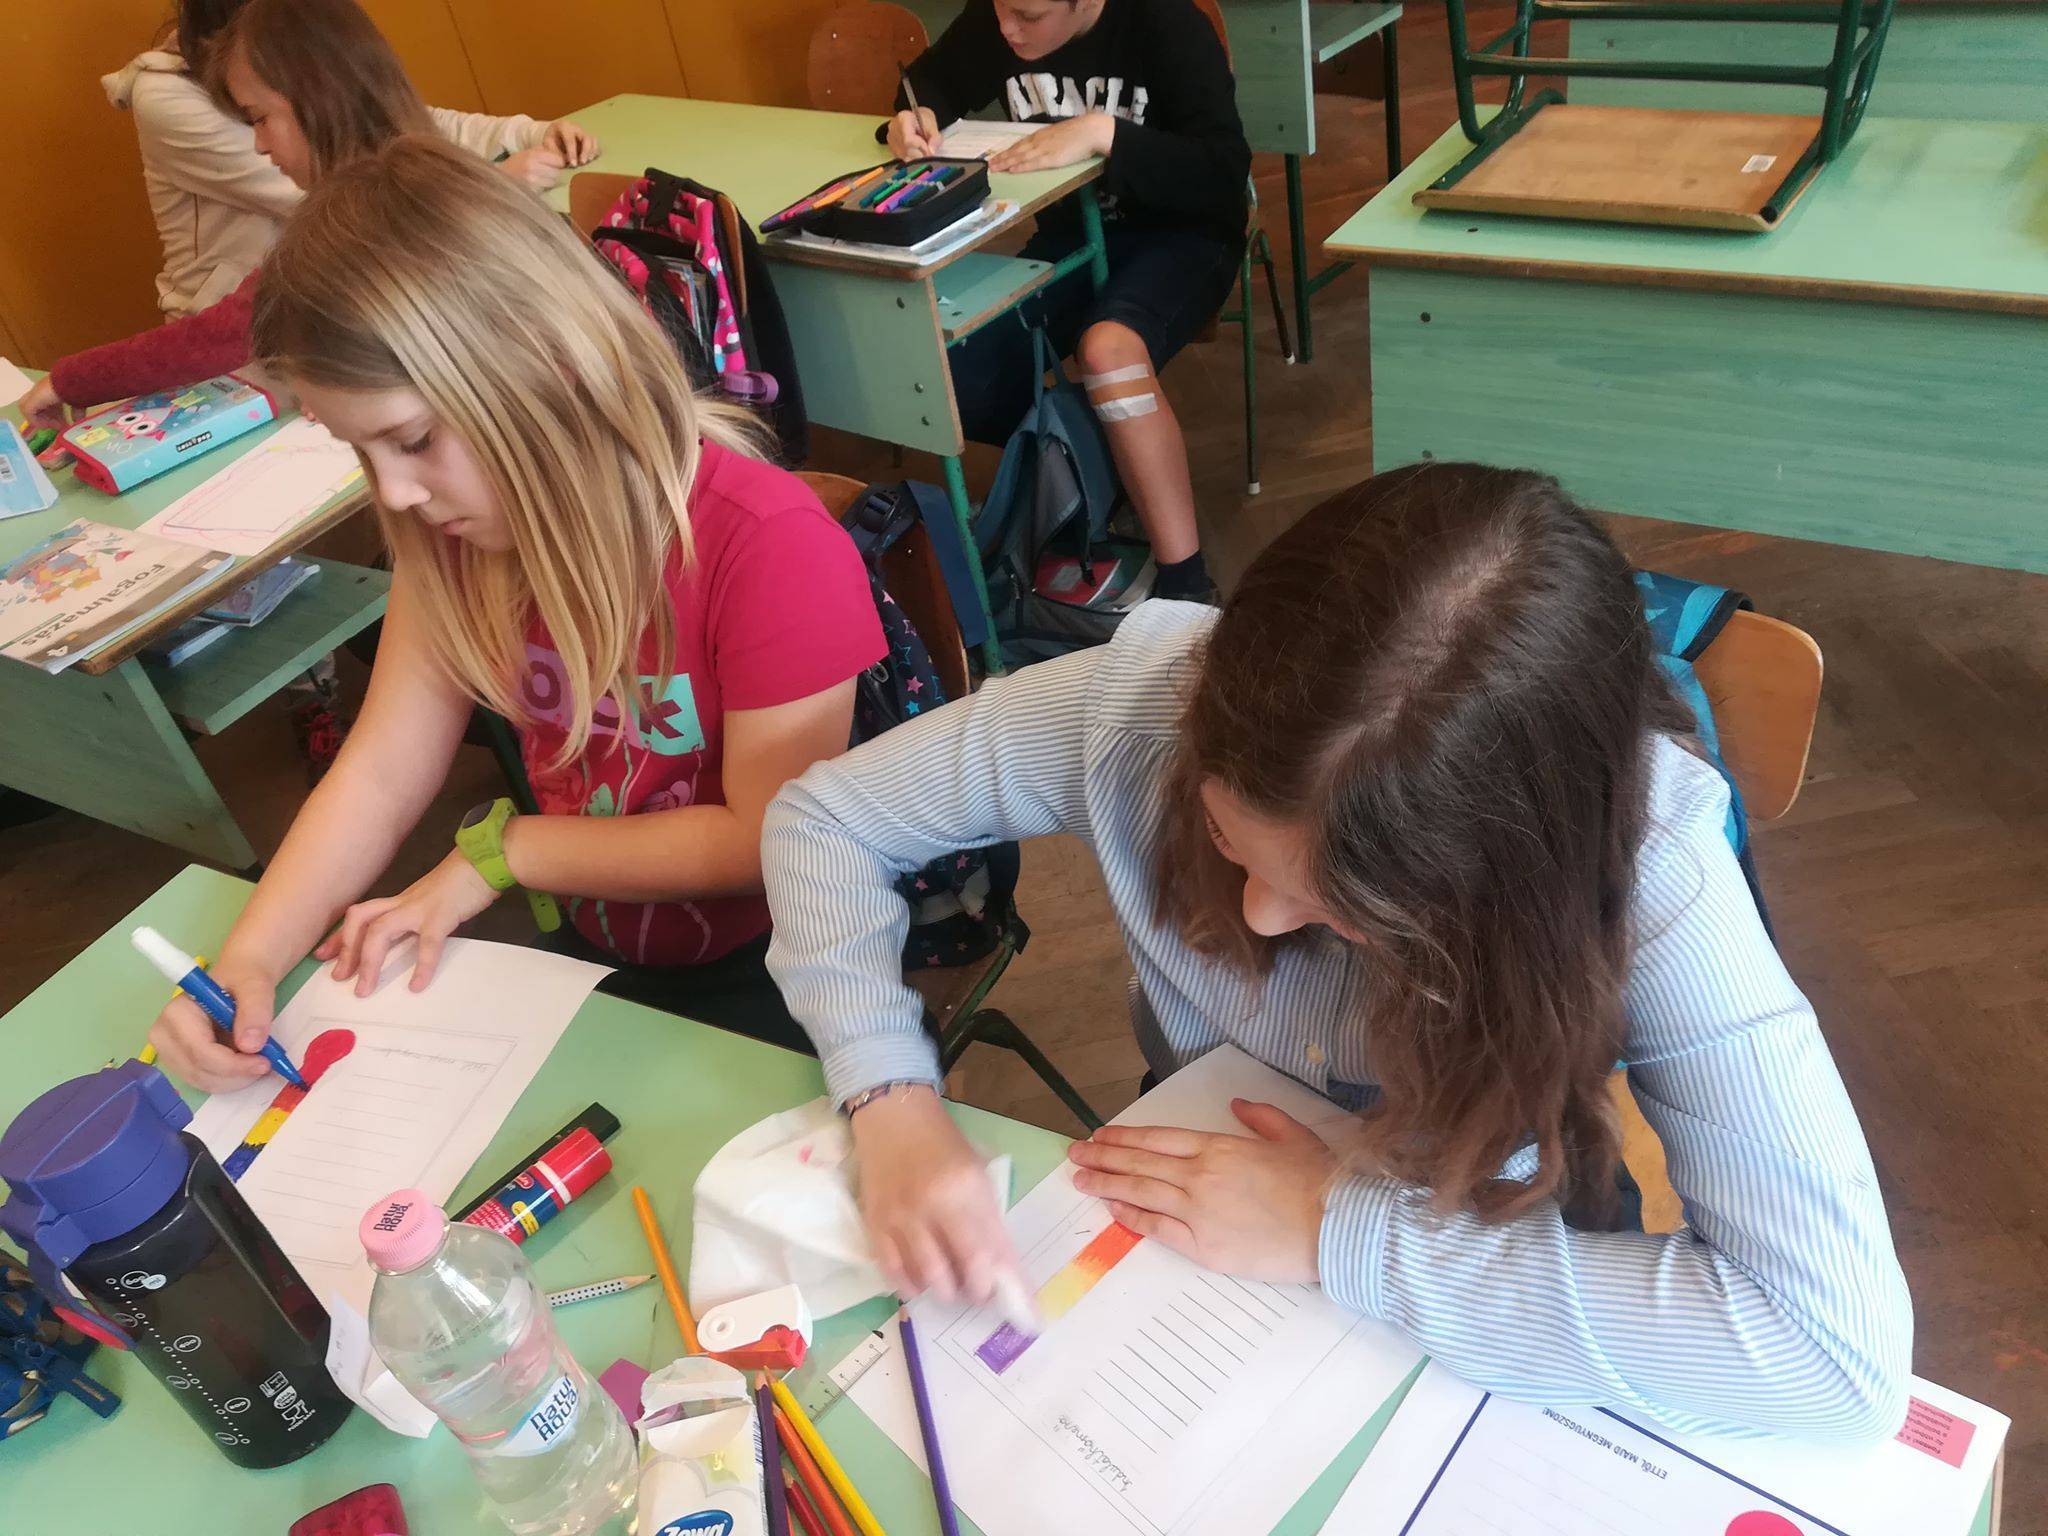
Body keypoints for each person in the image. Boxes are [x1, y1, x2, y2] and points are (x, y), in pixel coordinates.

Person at [762, 463, 1914, 1439]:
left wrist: (1333, 1230)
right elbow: (823, 822)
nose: (1260, 919)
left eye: (1352, 909)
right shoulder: (1137, 706)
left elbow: (1830, 1360)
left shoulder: (1650, 867)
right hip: (1208, 1187)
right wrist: (890, 1097)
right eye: (1228, 839)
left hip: (1492, 1225)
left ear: (1515, 884)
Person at [144, 135, 885, 1091]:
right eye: (363, 452)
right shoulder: (454, 541)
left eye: (414, 439)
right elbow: (381, 772)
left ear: (548, 366)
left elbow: (764, 840)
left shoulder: (766, 543)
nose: (394, 494)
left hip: (796, 966)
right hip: (597, 940)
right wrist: (249, 956)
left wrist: (506, 853)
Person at [22, 0, 597, 427]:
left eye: (258, 119)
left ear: (316, 98)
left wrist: (68, 379)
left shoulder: (351, 224)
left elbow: (220, 335)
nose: (257, 145)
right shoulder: (420, 181)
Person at [885, 0, 1251, 603]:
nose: (1008, 29)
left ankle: (1187, 586)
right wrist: (912, 115)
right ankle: (1105, 469)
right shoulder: (1002, 17)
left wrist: (1105, 133)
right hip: (1072, 235)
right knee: (956, 376)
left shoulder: (1165, 22)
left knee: (1108, 351)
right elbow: (931, 81)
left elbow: (1222, 170)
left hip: (1187, 235)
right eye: (1000, 10)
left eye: (1029, 17)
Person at [103, 0, 597, 327]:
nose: (259, 144)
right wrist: (487, 187)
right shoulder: (170, 99)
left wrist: (528, 133)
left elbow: (403, 120)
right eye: (254, 120)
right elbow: (346, 207)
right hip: (255, 330)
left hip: (337, 305)